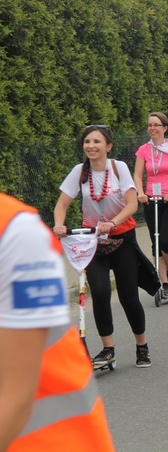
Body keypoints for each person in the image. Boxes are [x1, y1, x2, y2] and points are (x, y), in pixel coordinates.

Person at [0, 193, 115, 451]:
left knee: (117, 295)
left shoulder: (16, 232)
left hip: (56, 441)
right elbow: (64, 198)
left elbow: (16, 395)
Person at [53, 125, 152, 368]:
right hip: (92, 241)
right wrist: (59, 225)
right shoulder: (79, 172)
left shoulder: (119, 169)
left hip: (122, 238)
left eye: (97, 142)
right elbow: (62, 205)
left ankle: (142, 346)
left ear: (108, 146)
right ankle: (108, 349)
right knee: (99, 292)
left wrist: (113, 222)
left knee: (129, 296)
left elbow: (131, 204)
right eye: (87, 142)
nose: (91, 146)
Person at [134, 112, 168, 297]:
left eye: (156, 125)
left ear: (164, 128)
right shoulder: (144, 150)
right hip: (151, 200)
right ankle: (164, 283)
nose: (152, 128)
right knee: (155, 243)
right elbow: (138, 175)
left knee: (164, 239)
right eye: (150, 125)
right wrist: (140, 192)